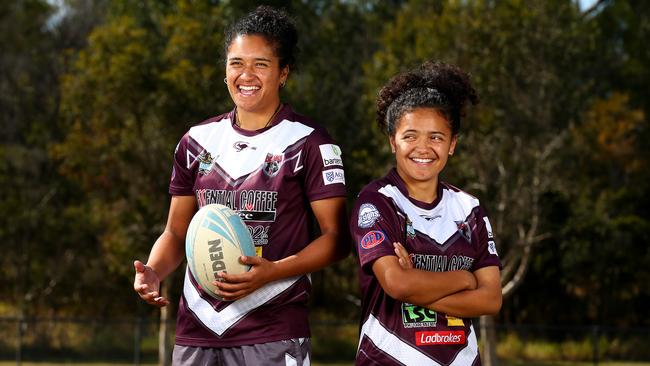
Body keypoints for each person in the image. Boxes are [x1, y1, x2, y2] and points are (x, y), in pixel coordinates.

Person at [133, 6, 348, 365]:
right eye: (236, 63)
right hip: (199, 327)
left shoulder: (310, 142)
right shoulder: (196, 141)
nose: (246, 75)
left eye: (261, 64)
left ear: (283, 73)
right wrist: (154, 271)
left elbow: (337, 240)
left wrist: (274, 271)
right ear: (225, 71)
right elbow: (175, 231)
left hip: (273, 326)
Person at [350, 61, 502, 365]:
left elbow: (491, 299)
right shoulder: (377, 201)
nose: (423, 147)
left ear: (452, 144)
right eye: (410, 136)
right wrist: (463, 278)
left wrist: (418, 287)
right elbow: (397, 284)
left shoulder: (468, 208)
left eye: (436, 137)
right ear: (393, 141)